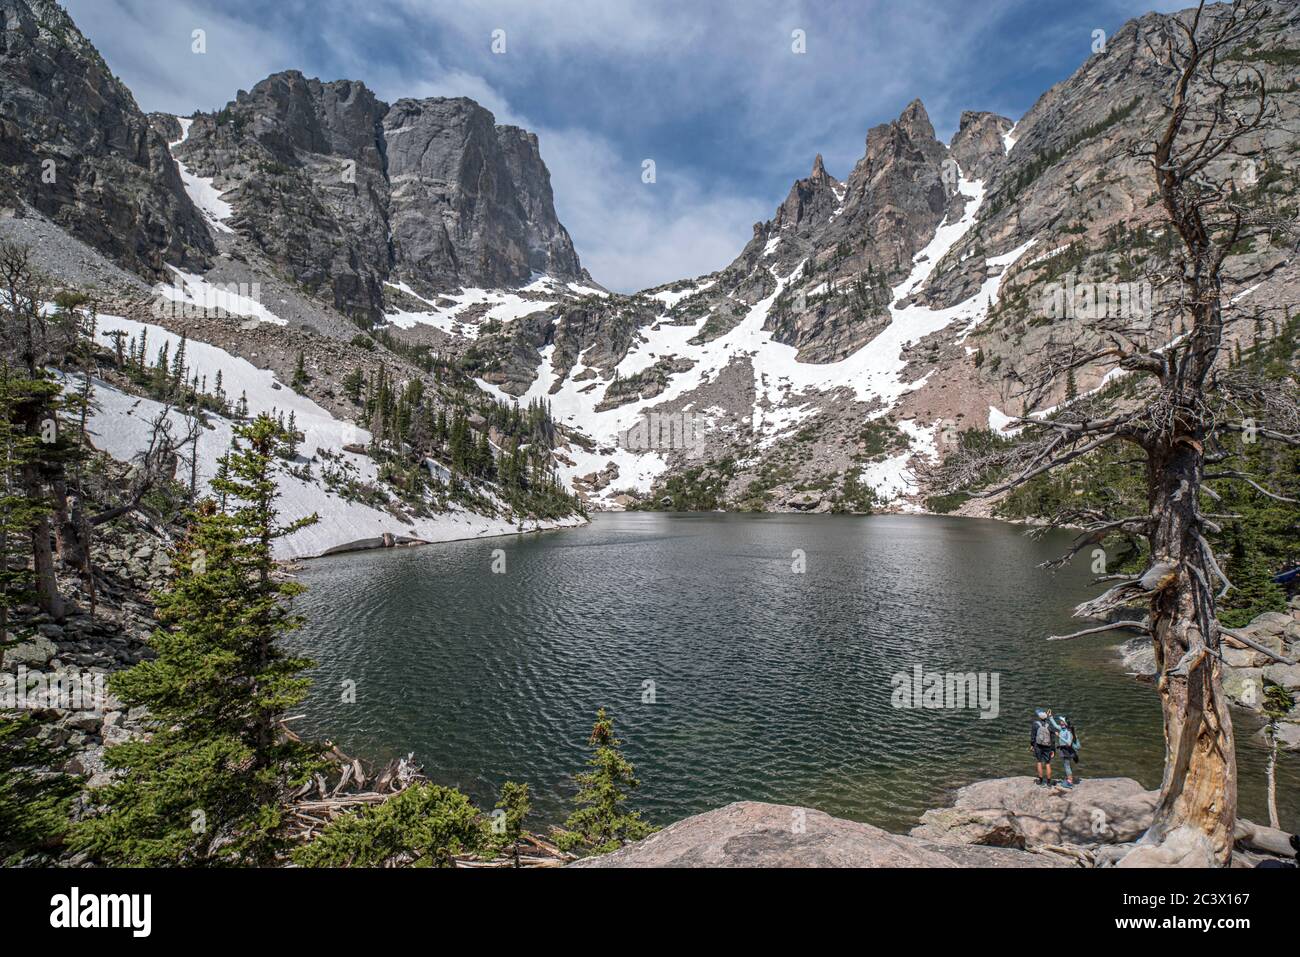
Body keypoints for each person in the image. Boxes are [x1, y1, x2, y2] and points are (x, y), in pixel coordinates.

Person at [1051, 714, 1080, 789]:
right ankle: (1069, 779)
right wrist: (1050, 717)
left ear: (1065, 723)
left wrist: (1059, 736)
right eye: (1060, 721)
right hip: (1063, 749)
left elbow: (1069, 743)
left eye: (1062, 721)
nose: (1060, 722)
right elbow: (1055, 725)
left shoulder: (1068, 731)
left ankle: (1069, 782)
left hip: (1067, 750)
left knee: (1067, 766)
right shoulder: (1062, 728)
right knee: (1066, 765)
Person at [1031, 708, 1056, 786]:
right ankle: (1048, 782)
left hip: (1038, 745)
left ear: (1039, 717)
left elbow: (1033, 736)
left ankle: (1040, 781)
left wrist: (1032, 745)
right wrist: (1053, 750)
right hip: (1047, 746)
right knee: (1048, 763)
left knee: (1039, 762)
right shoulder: (1050, 726)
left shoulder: (1035, 724)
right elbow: (1052, 739)